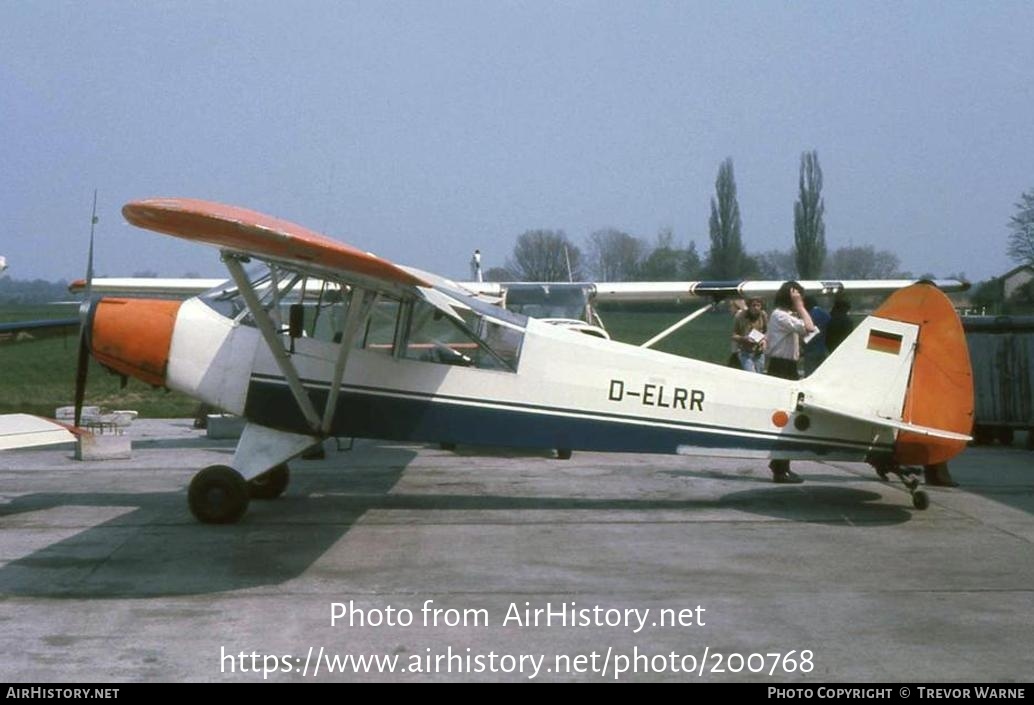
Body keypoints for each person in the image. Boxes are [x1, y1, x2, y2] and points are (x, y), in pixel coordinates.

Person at [765, 281, 816, 484]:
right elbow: (810, 327)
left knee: (787, 417)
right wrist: (800, 306)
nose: (800, 301)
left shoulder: (784, 316)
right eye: (797, 297)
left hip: (786, 367)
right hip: (782, 368)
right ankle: (780, 468)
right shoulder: (781, 316)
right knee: (785, 419)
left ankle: (781, 465)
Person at [731, 297, 767, 373]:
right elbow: (734, 335)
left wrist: (764, 340)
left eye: (758, 305)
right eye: (753, 305)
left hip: (759, 352)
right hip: (745, 352)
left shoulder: (763, 315)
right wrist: (744, 339)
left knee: (759, 375)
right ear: (749, 306)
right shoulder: (740, 316)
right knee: (751, 374)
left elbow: (767, 331)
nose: (756, 308)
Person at [802, 295, 830, 376]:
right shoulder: (825, 314)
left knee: (810, 373)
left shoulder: (809, 315)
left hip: (810, 349)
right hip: (823, 348)